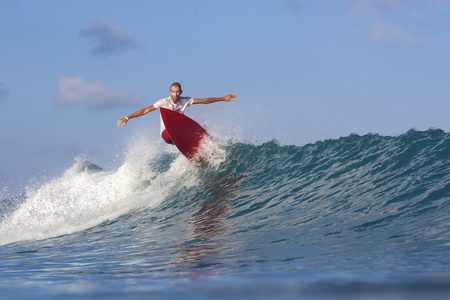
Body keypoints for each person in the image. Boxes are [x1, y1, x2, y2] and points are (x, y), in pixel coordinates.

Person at [117, 82, 236, 144]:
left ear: (181, 92)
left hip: (180, 134)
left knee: (203, 127)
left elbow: (204, 101)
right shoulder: (163, 102)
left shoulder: (185, 100)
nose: (175, 94)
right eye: (173, 92)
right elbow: (144, 111)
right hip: (166, 135)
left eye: (177, 92)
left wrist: (223, 98)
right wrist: (127, 118)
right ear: (170, 92)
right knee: (180, 116)